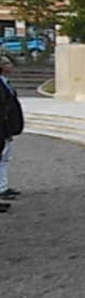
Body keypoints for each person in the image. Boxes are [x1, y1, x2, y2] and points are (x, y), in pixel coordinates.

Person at [0, 56, 23, 204]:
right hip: (2, 127)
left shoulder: (5, 83)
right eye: (7, 63)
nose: (11, 66)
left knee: (5, 157)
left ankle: (3, 186)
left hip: (6, 127)